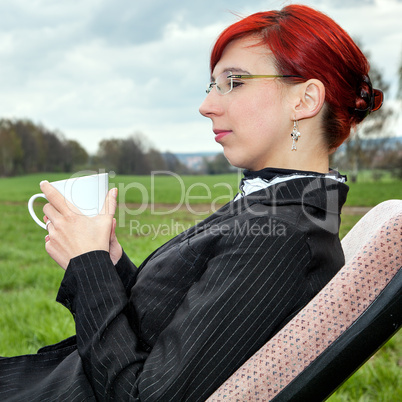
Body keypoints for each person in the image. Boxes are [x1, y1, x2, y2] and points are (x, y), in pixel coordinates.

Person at [0, 4, 383, 401]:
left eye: (234, 82)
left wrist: (88, 265)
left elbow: (142, 396)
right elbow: (173, 328)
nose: (207, 106)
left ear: (304, 100)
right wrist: (108, 261)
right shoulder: (280, 209)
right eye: (212, 85)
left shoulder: (280, 237)